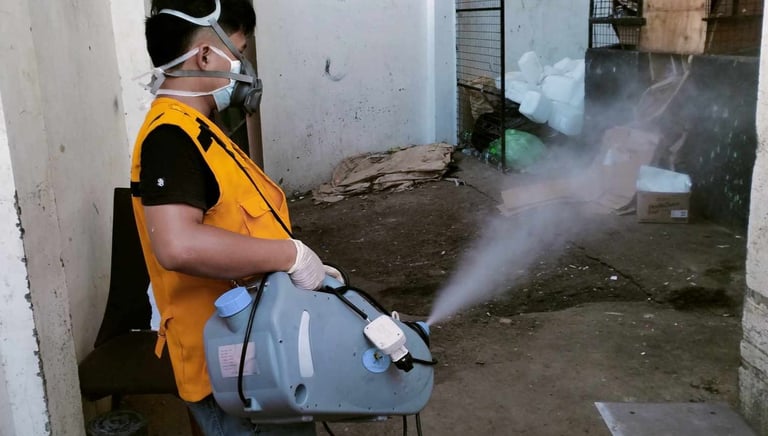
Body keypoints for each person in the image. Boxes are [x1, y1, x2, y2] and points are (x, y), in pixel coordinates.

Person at [130, 1, 333, 434]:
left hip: (255, 350)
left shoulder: (198, 128)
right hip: (231, 369)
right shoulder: (170, 137)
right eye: (238, 52)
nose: (243, 67)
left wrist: (293, 283)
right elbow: (178, 245)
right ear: (204, 56)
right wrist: (289, 256)